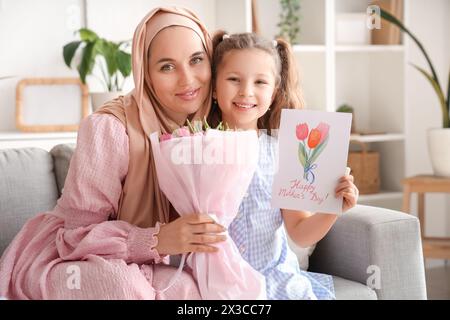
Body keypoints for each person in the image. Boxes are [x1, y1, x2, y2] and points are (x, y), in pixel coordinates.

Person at [0, 7, 227, 300]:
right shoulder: (109, 128)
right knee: (119, 286)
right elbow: (74, 237)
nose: (187, 80)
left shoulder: (214, 127)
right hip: (68, 257)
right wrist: (158, 239)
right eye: (166, 67)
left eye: (197, 60)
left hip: (151, 260)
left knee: (195, 288)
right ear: (145, 73)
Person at [208, 31, 359, 300]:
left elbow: (300, 233)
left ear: (274, 91)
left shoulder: (284, 152)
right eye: (234, 79)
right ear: (214, 87)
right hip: (218, 283)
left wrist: (333, 208)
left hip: (273, 280)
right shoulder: (196, 147)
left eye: (260, 82)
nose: (246, 91)